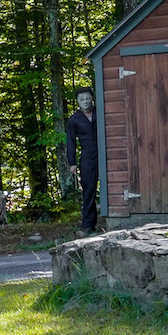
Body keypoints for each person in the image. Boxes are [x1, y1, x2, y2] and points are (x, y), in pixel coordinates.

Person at [63, 88, 100, 232]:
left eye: (87, 99)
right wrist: (72, 163)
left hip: (104, 154)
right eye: (81, 100)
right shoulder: (74, 119)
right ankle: (88, 225)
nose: (85, 102)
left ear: (92, 98)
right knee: (89, 189)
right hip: (87, 157)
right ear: (77, 102)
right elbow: (71, 141)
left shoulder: (100, 112)